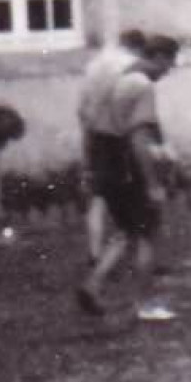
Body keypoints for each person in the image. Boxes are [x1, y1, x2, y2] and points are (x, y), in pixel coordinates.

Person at [78, 34, 182, 323]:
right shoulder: (142, 85)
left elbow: (91, 123)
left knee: (126, 231)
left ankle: (93, 285)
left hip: (105, 161)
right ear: (159, 57)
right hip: (128, 164)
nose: (170, 70)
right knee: (147, 233)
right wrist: (152, 183)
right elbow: (138, 138)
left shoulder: (117, 79)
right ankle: (145, 303)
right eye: (170, 63)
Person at [76, 27, 147, 264]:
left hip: (95, 135)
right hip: (121, 137)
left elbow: (82, 107)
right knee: (129, 194)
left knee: (97, 195)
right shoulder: (134, 68)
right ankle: (129, 248)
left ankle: (95, 251)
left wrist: (87, 132)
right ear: (139, 48)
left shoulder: (95, 65)